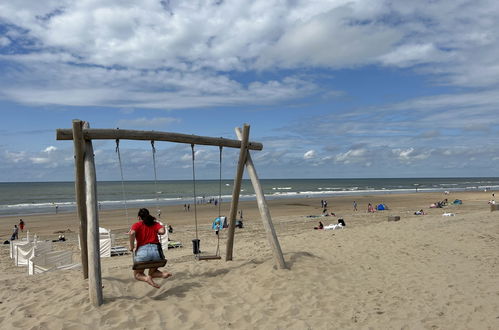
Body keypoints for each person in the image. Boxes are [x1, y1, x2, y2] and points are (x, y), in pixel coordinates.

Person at [129, 208, 172, 288]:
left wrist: (131, 247)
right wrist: (161, 226)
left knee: (137, 274)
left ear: (139, 217)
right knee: (152, 272)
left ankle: (146, 278)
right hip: (156, 252)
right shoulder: (154, 224)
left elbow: (132, 234)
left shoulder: (136, 225)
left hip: (143, 252)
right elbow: (162, 232)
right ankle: (163, 274)